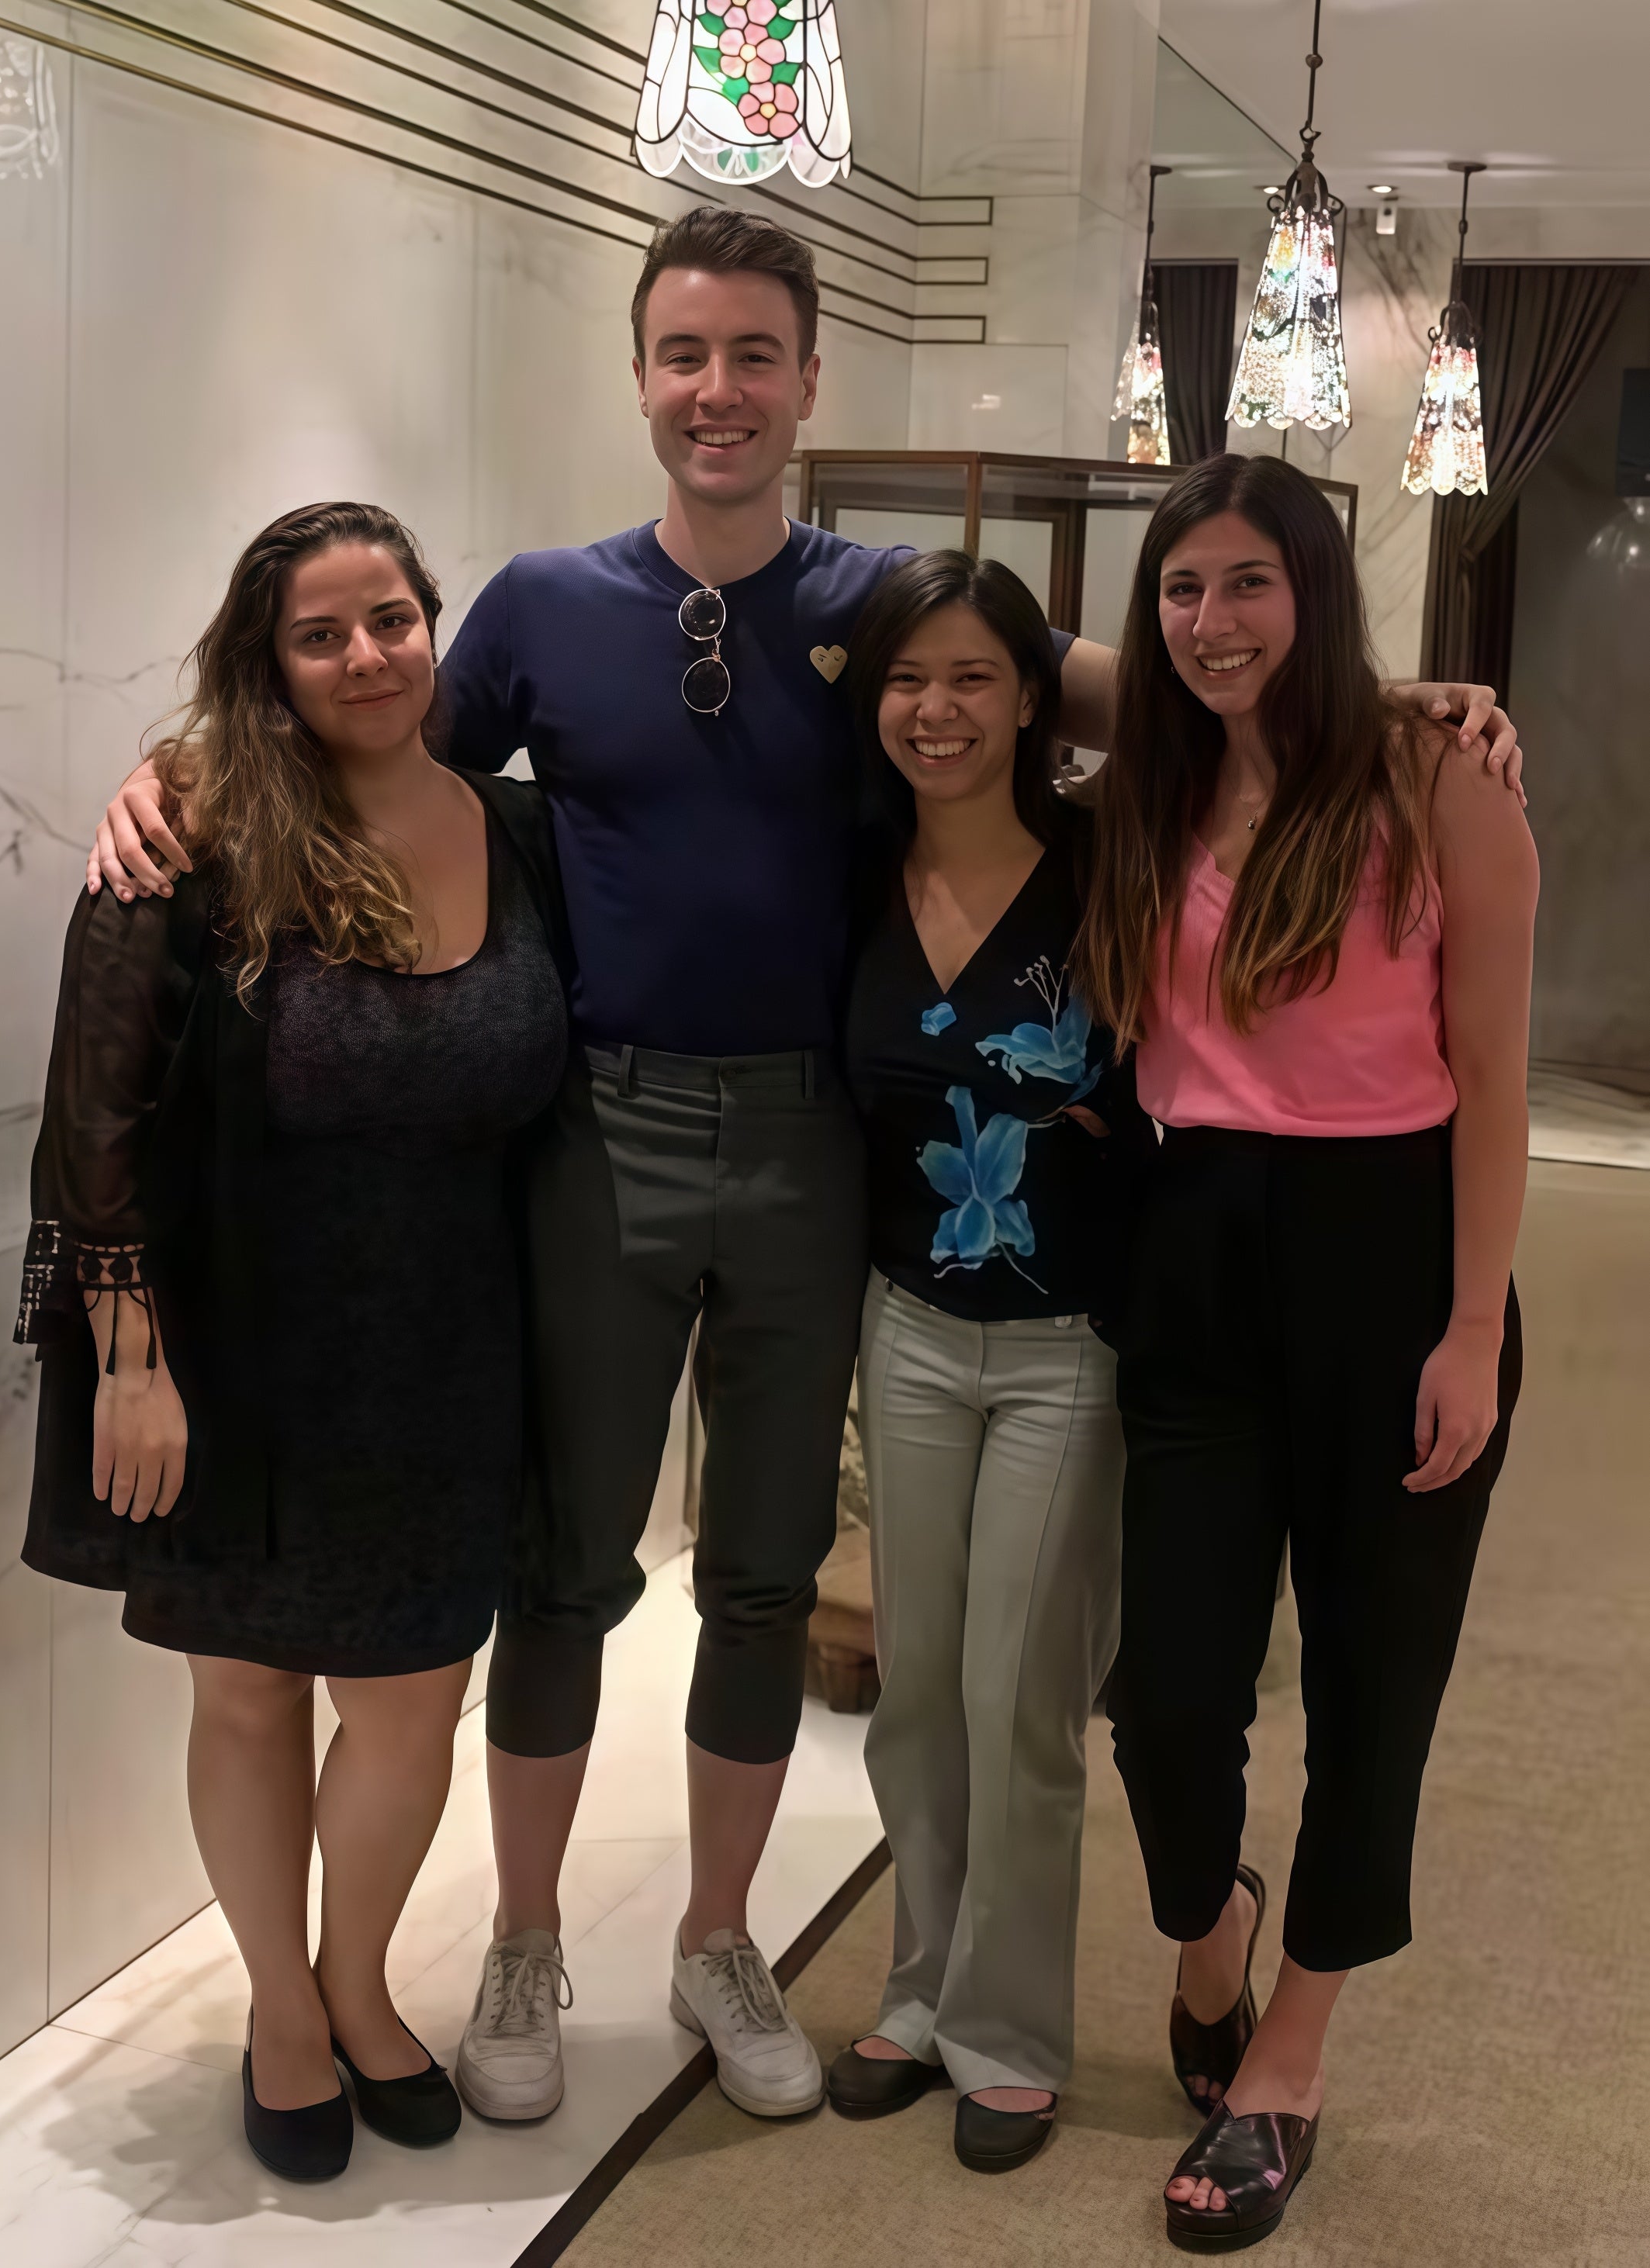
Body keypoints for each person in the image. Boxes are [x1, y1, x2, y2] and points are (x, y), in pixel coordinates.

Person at [81, 209, 1522, 2128]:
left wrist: (1391, 695)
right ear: (639, 375)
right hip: (596, 1133)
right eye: (683, 353)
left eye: (754, 354)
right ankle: (525, 1938)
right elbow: (362, 742)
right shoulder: (536, 607)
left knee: (760, 1574)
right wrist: (173, 770)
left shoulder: (882, 605)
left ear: (808, 379)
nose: (718, 390)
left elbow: (1141, 683)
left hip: (808, 1141)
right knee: (565, 1567)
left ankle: (717, 1934)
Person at [19, 503, 569, 2181]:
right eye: (319, 634)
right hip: (229, 1343)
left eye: (390, 618)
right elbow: (92, 1116)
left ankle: (356, 1979)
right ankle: (281, 2008)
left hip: (447, 1342)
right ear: (268, 662)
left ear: (433, 627)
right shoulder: (190, 836)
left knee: (411, 1700)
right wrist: (130, 1358)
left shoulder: (519, 830)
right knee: (252, 1693)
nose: (364, 656)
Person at [1075, 454, 1537, 2251]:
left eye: (1250, 583)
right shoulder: (1149, 774)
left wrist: (1472, 1327)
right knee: (1164, 1695)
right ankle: (1210, 1933)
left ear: (1316, 589)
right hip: (1192, 1252)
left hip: (1395, 1258)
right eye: (1181, 587)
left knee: (1369, 1687)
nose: (1212, 621)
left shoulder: (1438, 782)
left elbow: (1490, 1072)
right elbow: (1002, 655)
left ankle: (1286, 2055)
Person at [822, 551, 1156, 2172]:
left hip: (1064, 1347)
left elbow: (1238, 731)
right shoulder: (851, 868)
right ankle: (918, 1988)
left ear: (1037, 694)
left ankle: (1008, 2030)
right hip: (905, 1328)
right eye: (905, 679)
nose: (934, 710)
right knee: (914, 1692)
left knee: (1018, 1697)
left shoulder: (1110, 864)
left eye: (972, 676)